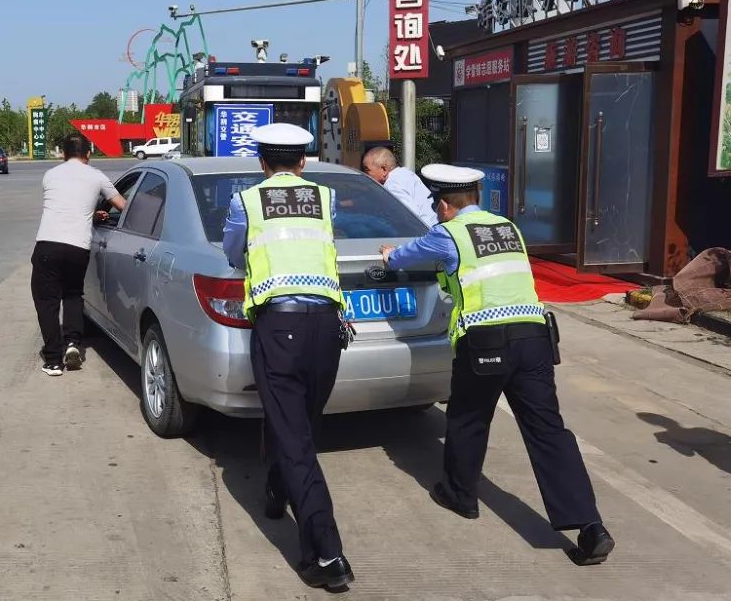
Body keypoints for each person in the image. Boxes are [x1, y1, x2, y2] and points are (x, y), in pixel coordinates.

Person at [380, 164, 615, 567]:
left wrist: (390, 255)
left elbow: (405, 256)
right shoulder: (507, 228)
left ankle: (460, 495)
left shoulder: (447, 233)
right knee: (547, 430)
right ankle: (590, 526)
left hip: (486, 340)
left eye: (438, 206)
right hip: (536, 338)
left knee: (468, 418)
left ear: (444, 205)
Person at [222, 123, 354, 590]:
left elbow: (233, 251)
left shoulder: (247, 201)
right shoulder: (325, 198)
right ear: (303, 162)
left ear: (262, 163)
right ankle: (278, 490)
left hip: (280, 326)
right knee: (301, 424)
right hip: (326, 327)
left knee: (295, 438)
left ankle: (327, 554)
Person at [32, 132, 126, 377]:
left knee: (47, 302)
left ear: (63, 154)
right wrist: (94, 216)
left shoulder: (50, 175)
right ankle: (73, 343)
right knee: (73, 294)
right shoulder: (97, 176)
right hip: (77, 248)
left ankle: (53, 360)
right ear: (89, 154)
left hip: (48, 245)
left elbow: (62, 207)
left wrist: (88, 214)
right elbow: (122, 205)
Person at [361, 146, 436, 227]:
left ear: (384, 169)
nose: (365, 174)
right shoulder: (404, 173)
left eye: (367, 169)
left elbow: (409, 218)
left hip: (423, 233)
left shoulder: (392, 185)